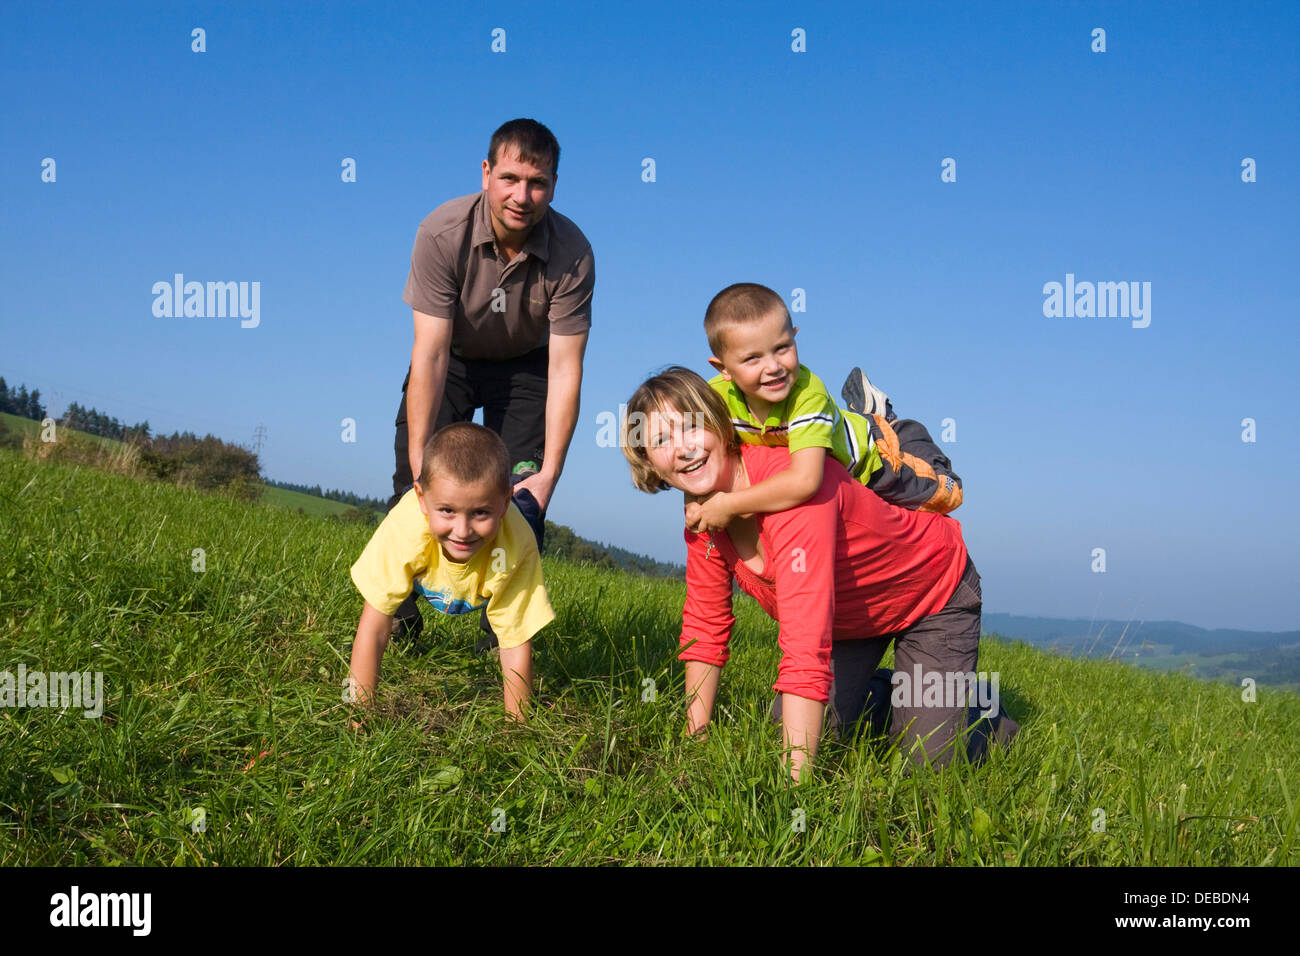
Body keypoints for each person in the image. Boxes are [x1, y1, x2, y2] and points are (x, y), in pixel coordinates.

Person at [621, 367, 1017, 782]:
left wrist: (793, 795)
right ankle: (899, 694)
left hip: (930, 593)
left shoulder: (790, 491)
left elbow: (804, 645)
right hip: (849, 617)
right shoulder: (703, 517)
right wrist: (694, 737)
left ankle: (982, 715)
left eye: (691, 426)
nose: (682, 448)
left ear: (723, 424)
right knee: (792, 729)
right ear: (648, 461)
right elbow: (706, 624)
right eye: (661, 440)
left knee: (926, 766)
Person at [389, 117, 594, 646]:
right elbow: (429, 352)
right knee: (414, 483)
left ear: (553, 185)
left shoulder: (574, 254)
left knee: (522, 500)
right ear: (486, 173)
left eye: (538, 183)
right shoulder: (441, 232)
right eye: (509, 178)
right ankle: (399, 618)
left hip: (526, 368)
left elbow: (566, 367)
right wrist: (418, 459)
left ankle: (498, 641)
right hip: (452, 358)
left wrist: (549, 473)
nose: (522, 196)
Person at [685, 282, 961, 534]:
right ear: (723, 369)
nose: (773, 367)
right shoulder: (716, 397)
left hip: (875, 459)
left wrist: (728, 505)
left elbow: (805, 481)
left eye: (782, 348)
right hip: (837, 429)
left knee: (945, 497)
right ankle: (867, 411)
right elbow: (684, 441)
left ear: (795, 337)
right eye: (752, 358)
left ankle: (889, 422)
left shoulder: (807, 393)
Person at [349, 423, 554, 721]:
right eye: (447, 510)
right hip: (422, 544)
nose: (462, 531)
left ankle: (520, 489)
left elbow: (516, 642)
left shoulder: (516, 545)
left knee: (529, 511)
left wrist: (518, 730)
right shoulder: (404, 528)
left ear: (503, 503)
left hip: (511, 528)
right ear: (421, 499)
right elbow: (374, 626)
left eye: (480, 512)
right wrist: (359, 715)